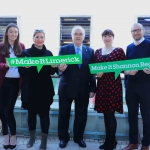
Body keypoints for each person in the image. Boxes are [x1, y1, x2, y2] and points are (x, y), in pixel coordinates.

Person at [57, 25, 96, 148]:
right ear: (72, 36)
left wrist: (92, 89)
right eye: (76, 34)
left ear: (84, 36)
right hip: (66, 87)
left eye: (80, 34)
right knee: (64, 114)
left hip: (83, 89)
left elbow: (92, 72)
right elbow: (59, 70)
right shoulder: (64, 49)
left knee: (81, 115)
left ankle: (78, 137)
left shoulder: (90, 51)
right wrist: (60, 69)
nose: (78, 36)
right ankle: (63, 138)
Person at [18, 29, 56, 150]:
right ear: (33, 38)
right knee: (31, 115)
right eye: (37, 37)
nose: (39, 39)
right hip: (30, 89)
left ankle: (44, 141)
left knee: (44, 115)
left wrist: (53, 66)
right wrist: (24, 66)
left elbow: (52, 72)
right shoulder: (25, 53)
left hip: (45, 89)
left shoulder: (49, 53)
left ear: (44, 39)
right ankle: (32, 137)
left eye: (41, 37)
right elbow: (20, 71)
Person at [94, 29, 126, 150]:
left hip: (113, 85)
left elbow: (124, 67)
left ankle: (111, 142)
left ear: (113, 37)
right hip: (102, 86)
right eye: (105, 36)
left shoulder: (119, 51)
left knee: (110, 114)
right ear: (102, 38)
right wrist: (97, 74)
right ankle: (109, 141)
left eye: (109, 36)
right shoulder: (97, 52)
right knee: (105, 115)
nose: (107, 38)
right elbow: (93, 69)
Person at [123, 23, 150, 150]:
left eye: (138, 30)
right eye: (133, 31)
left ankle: (145, 144)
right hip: (131, 86)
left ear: (143, 30)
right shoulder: (129, 47)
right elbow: (125, 67)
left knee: (147, 115)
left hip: (146, 86)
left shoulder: (149, 44)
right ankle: (133, 142)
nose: (136, 33)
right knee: (132, 115)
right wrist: (128, 72)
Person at [0, 23, 25, 149]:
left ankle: (13, 136)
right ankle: (5, 136)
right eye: (11, 32)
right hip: (2, 82)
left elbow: (25, 62)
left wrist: (26, 65)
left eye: (16, 32)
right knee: (1, 111)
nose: (14, 34)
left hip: (14, 83)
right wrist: (4, 65)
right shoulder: (0, 46)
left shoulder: (21, 46)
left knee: (8, 110)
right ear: (7, 33)